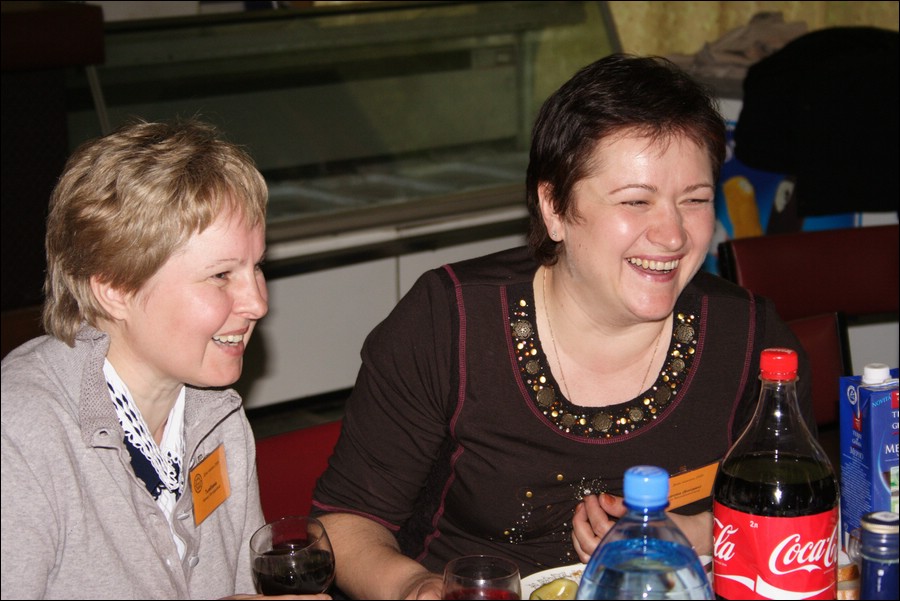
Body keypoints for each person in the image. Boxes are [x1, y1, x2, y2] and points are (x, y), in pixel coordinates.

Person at [310, 53, 817, 600]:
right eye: (636, 201)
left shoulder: (750, 341)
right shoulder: (449, 321)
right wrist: (416, 588)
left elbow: (796, 512)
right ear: (553, 207)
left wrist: (693, 532)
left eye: (695, 200)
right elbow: (345, 524)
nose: (673, 235)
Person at [1, 119, 329, 600]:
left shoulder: (217, 419)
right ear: (114, 289)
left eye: (256, 266)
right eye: (221, 275)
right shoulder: (20, 437)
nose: (258, 302)